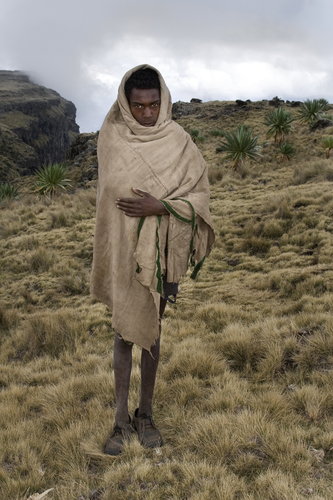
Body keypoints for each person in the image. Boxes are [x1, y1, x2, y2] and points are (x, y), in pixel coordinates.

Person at [90, 64, 214, 455]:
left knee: (153, 330)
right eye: (139, 106)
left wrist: (158, 206)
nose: (147, 113)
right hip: (123, 253)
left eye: (154, 105)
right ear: (126, 105)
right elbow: (108, 196)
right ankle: (119, 420)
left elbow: (199, 195)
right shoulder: (111, 137)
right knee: (123, 331)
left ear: (164, 102)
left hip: (162, 252)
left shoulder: (179, 140)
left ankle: (146, 414)